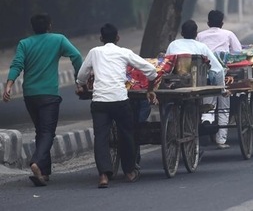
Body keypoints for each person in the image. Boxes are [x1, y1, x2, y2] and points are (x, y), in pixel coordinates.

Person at [2, 13, 83, 187]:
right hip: (49, 95)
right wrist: (79, 79)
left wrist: (9, 85)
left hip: (30, 95)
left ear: (32, 28)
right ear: (50, 26)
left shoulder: (24, 43)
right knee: (47, 132)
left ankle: (44, 174)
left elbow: (17, 64)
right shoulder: (58, 39)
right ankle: (37, 163)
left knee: (41, 130)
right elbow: (76, 55)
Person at [76, 23, 157, 188]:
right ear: (118, 38)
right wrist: (149, 90)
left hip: (99, 102)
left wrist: (83, 86)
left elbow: (81, 76)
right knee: (126, 134)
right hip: (120, 100)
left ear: (101, 39)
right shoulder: (124, 52)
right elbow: (150, 70)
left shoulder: (94, 52)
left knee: (101, 138)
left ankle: (104, 175)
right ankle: (129, 171)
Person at [166, 20, 228, 149]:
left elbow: (166, 65)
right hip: (196, 85)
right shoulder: (201, 47)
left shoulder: (173, 45)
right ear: (196, 33)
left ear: (182, 33)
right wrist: (221, 88)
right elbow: (218, 69)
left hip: (175, 84)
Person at [196, 10, 242, 149]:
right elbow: (237, 52)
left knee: (208, 99)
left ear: (208, 23)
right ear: (222, 23)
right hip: (223, 74)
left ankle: (207, 120)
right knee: (224, 105)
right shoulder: (228, 34)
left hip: (204, 74)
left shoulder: (200, 36)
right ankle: (221, 140)